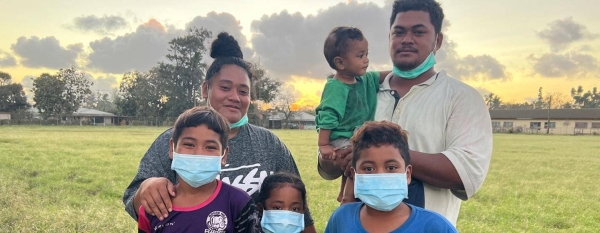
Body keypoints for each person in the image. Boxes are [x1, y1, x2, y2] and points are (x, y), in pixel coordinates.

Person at [318, 0, 493, 225]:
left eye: (419, 32)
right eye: (398, 32)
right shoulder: (360, 89)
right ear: (390, 37)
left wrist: (376, 156)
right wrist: (335, 158)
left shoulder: (462, 97)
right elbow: (326, 164)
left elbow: (465, 173)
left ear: (437, 40)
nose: (407, 39)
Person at [123, 32, 317, 233]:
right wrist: (146, 188)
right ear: (206, 89)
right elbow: (134, 203)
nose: (234, 97)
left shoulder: (269, 143)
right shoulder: (172, 140)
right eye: (225, 87)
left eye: (243, 91)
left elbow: (299, 208)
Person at [138, 106, 258, 233]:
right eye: (189, 144)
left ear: (224, 155)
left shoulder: (239, 203)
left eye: (210, 147)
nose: (198, 153)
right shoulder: (154, 207)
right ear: (172, 148)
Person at [324, 121, 457, 233]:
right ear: (355, 175)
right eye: (369, 169)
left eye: (391, 167)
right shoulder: (341, 219)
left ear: (407, 174)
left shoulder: (435, 227)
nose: (381, 175)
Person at [316, 26, 388, 205]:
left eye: (366, 54)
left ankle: (343, 193)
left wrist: (403, 72)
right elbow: (328, 115)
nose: (366, 60)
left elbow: (385, 75)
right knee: (358, 157)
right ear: (340, 63)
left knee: (357, 155)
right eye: (360, 56)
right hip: (340, 137)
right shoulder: (336, 87)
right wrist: (323, 144)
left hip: (353, 135)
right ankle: (348, 198)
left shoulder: (364, 80)